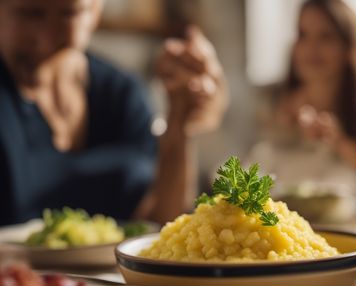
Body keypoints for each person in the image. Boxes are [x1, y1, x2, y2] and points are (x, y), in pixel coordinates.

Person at [0, 0, 227, 226]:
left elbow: (159, 222)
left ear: (95, 11)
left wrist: (180, 120)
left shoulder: (122, 94)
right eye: (29, 14)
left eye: (69, 14)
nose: (48, 37)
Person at [249, 0, 356, 209]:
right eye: (303, 34)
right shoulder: (270, 111)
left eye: (326, 36)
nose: (311, 47)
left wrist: (342, 143)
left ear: (348, 48)